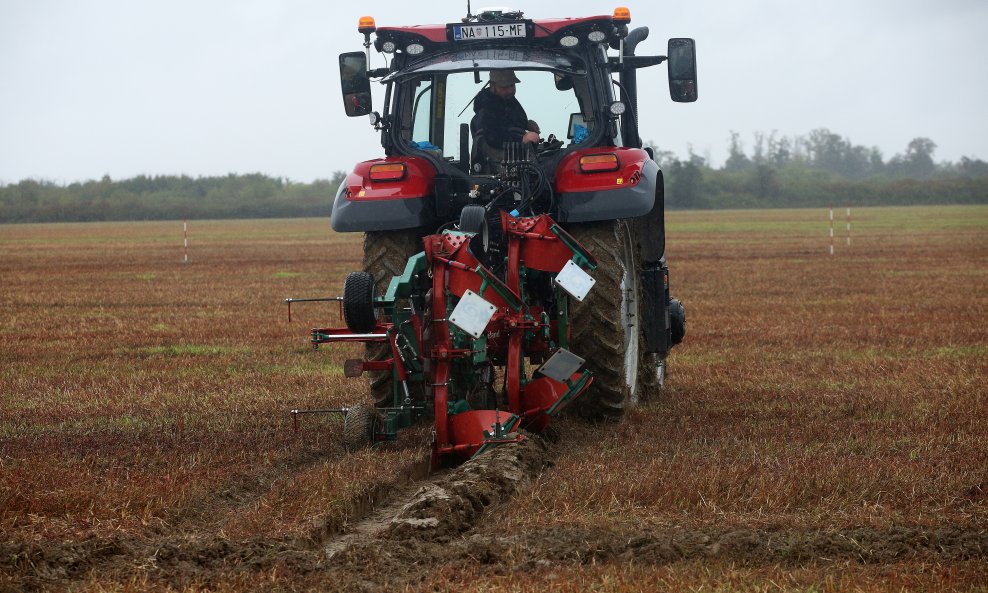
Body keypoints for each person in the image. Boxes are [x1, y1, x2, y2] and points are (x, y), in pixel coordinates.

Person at [472, 69, 541, 156]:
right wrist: (522, 139)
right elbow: (492, 136)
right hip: (496, 164)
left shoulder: (507, 100)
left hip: (515, 158)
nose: (510, 90)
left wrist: (527, 124)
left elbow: (511, 121)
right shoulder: (486, 107)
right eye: (504, 87)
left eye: (512, 85)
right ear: (492, 86)